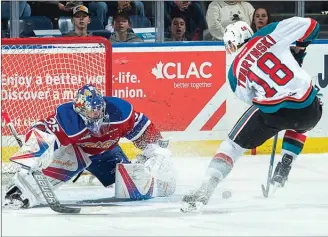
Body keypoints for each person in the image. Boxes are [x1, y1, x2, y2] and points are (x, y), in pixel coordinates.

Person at [181, 16, 322, 212]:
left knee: (232, 146)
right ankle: (285, 166)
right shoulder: (268, 34)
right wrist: (300, 48)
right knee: (305, 112)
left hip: (273, 113)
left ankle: (206, 188)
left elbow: (251, 99)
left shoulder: (234, 73)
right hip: (309, 110)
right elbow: (313, 25)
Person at [3, 84, 175, 209]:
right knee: (69, 159)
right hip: (79, 153)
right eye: (91, 111)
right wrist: (32, 154)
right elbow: (42, 130)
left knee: (136, 191)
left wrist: (155, 151)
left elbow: (145, 132)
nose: (96, 114)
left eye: (99, 110)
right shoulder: (67, 117)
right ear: (79, 109)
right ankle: (20, 193)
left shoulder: (120, 111)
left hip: (108, 153)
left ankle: (162, 181)